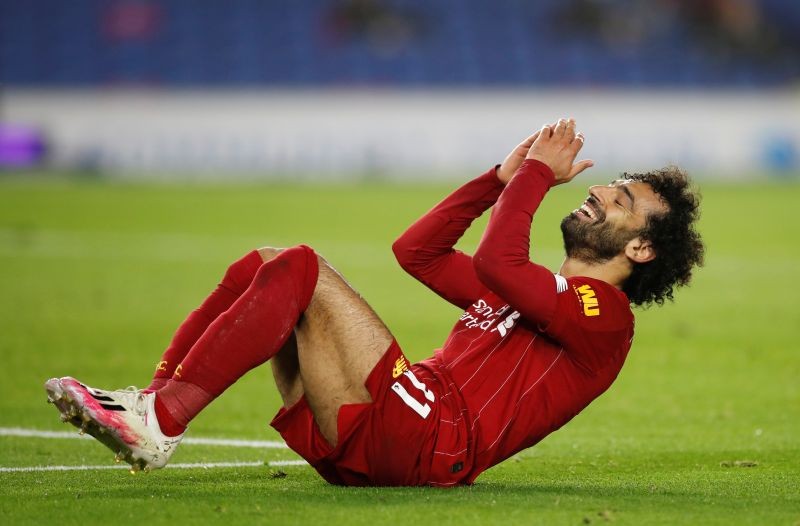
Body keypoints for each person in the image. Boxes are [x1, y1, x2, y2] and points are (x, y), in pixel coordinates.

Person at [45, 118, 704, 485]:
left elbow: (500, 263)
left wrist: (534, 174)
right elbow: (415, 253)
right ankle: (151, 404)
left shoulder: (605, 319)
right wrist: (495, 181)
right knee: (269, 263)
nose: (602, 195)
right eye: (611, 188)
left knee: (301, 267)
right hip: (398, 429)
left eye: (622, 203)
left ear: (640, 250)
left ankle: (159, 422)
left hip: (428, 438)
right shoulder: (535, 294)